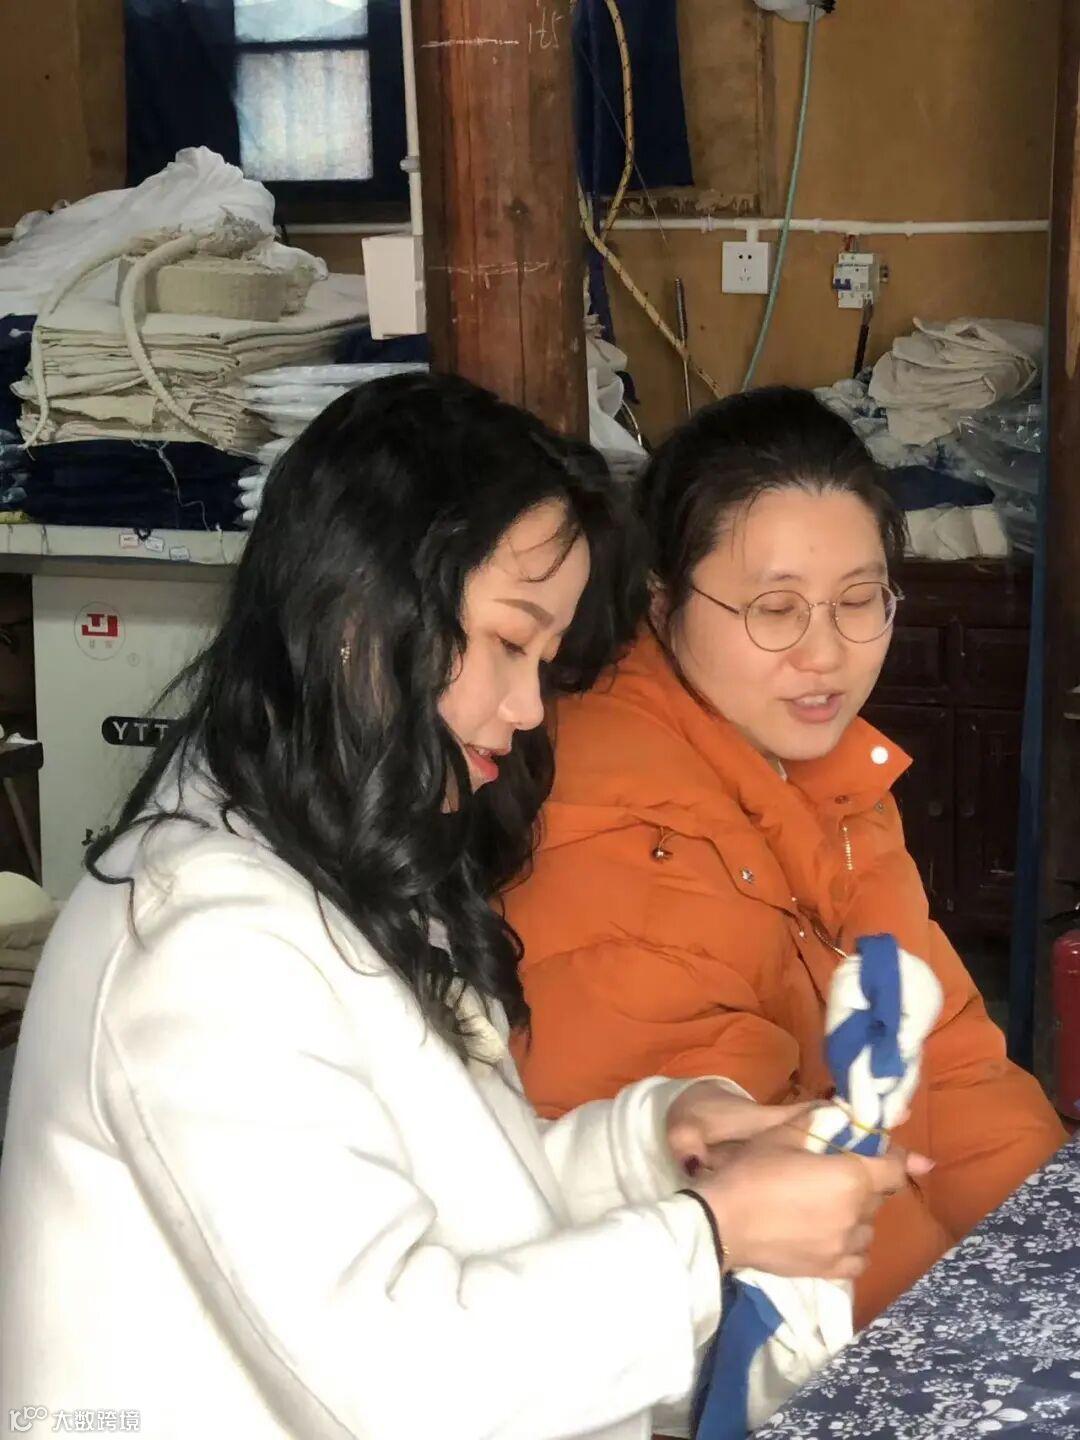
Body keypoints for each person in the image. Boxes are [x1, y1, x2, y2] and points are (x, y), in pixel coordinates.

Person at [0, 374, 913, 1440]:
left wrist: (663, 1145)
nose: (526, 709)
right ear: (361, 616)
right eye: (510, 644)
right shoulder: (203, 948)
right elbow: (397, 1381)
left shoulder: (346, 860)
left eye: (544, 660)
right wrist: (708, 1238)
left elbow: (456, 1203)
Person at [504, 385, 1065, 1330]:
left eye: (860, 601)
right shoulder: (614, 828)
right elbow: (777, 1199)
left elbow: (951, 1064)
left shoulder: (829, 775)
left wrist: (1049, 1265)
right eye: (775, 609)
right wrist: (978, 1345)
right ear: (662, 600)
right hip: (783, 1350)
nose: (826, 655)